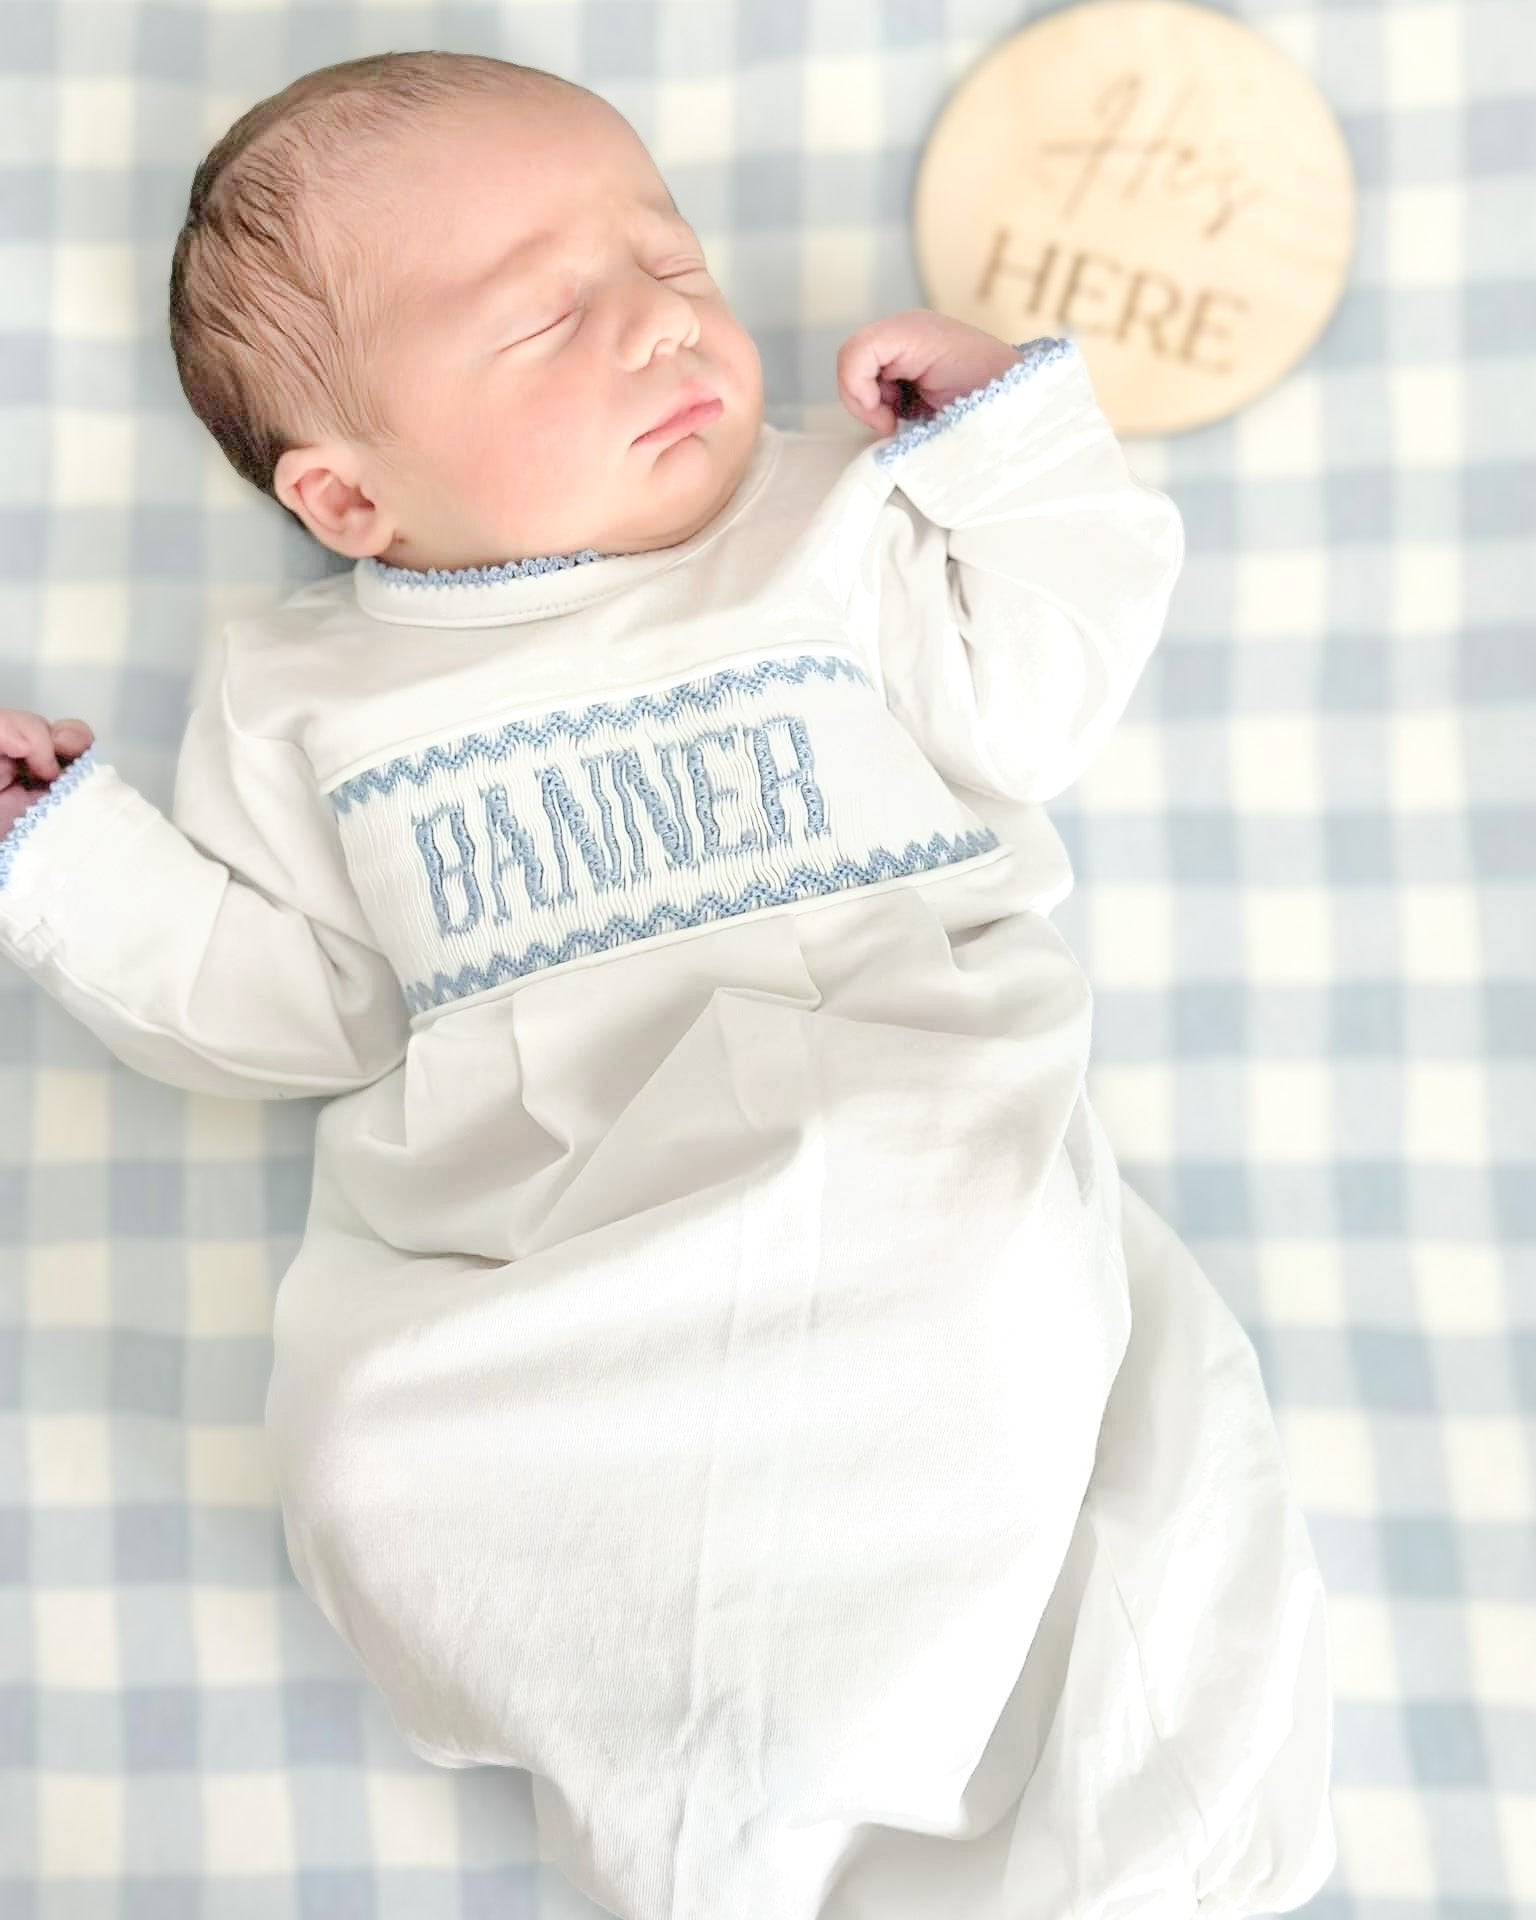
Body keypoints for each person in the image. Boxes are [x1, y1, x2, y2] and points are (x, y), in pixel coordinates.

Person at [0, 51, 1335, 1920]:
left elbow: (1041, 693)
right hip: (543, 1267)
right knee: (376, 1460)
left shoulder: (824, 529)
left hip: (888, 1164)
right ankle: (702, 1779)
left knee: (969, 1277)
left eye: (673, 259)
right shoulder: (306, 700)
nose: (663, 325)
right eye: (548, 315)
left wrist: (1006, 445)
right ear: (352, 498)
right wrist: (74, 867)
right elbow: (301, 1013)